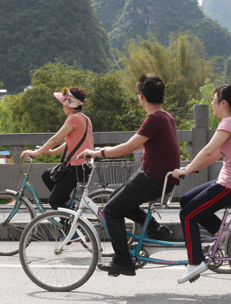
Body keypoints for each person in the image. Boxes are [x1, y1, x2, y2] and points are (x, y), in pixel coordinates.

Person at [77, 74, 180, 277]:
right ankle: (155, 228)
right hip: (158, 178)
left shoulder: (154, 119)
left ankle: (123, 261)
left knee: (111, 211)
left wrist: (98, 152)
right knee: (116, 199)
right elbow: (141, 144)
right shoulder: (166, 116)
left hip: (152, 178)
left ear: (141, 96)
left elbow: (129, 147)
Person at [172, 84, 231, 284]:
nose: (212, 104)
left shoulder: (228, 123)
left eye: (213, 100)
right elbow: (217, 154)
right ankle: (223, 232)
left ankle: (195, 263)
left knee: (187, 216)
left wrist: (186, 169)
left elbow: (208, 150)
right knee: (186, 200)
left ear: (224, 103)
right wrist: (192, 168)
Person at [20, 86, 93, 211]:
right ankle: (67, 204)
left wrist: (36, 153)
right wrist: (53, 152)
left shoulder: (73, 118)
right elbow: (71, 143)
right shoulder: (85, 119)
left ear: (70, 104)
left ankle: (70, 226)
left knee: (54, 200)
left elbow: (55, 139)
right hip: (83, 166)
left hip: (76, 166)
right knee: (47, 175)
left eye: (63, 103)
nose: (62, 106)